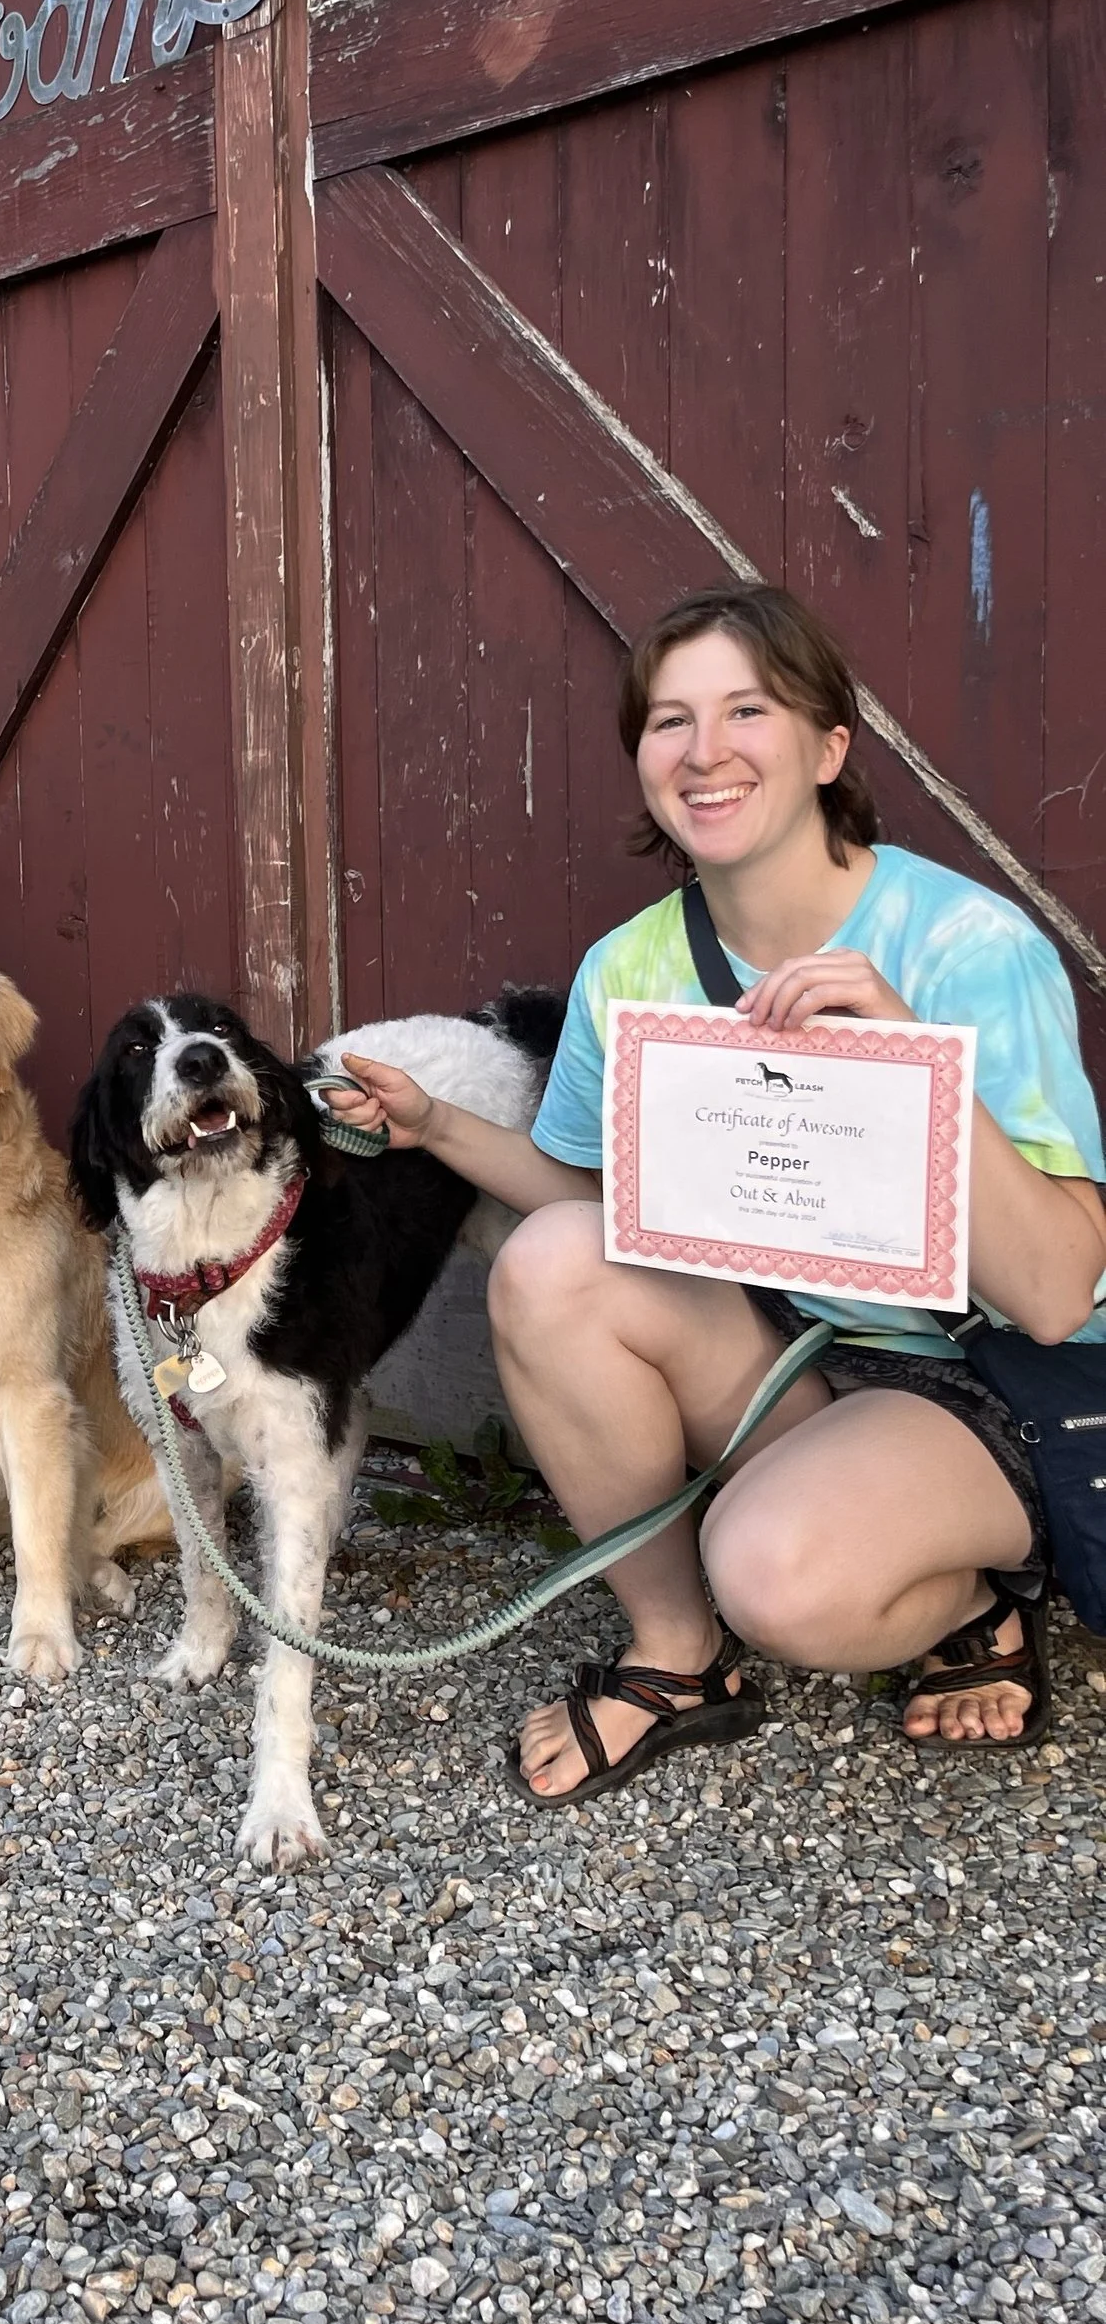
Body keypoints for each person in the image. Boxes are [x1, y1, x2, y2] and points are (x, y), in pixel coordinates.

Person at [324, 582, 1105, 1801]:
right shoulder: (631, 965)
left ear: (827, 746)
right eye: (668, 720)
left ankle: (978, 1599)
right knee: (551, 1261)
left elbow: (1057, 1293)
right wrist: (433, 1127)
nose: (705, 753)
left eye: (748, 710)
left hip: (978, 1375)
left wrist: (907, 1060)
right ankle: (676, 1655)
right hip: (793, 1351)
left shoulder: (966, 947)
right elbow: (591, 1206)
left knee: (786, 1582)